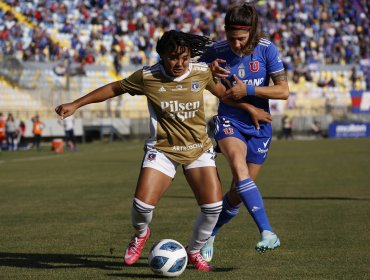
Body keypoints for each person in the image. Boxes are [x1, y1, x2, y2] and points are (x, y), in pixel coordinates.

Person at [55, 30, 272, 272]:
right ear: (162, 56)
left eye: (185, 57)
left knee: (212, 209)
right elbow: (115, 88)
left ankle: (194, 251)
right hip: (163, 149)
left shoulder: (201, 72)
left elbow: (223, 94)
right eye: (173, 58)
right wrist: (75, 104)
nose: (179, 63)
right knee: (141, 207)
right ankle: (141, 233)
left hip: (197, 148)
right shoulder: (148, 76)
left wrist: (249, 109)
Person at [199, 3, 290, 261]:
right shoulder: (216, 51)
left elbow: (283, 91)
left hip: (260, 126)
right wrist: (207, 71)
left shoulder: (266, 49)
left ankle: (209, 233)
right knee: (239, 170)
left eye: (240, 39)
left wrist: (248, 92)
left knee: (238, 194)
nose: (235, 44)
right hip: (230, 120)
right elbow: (194, 78)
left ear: (251, 32)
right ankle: (267, 231)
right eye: (231, 38)